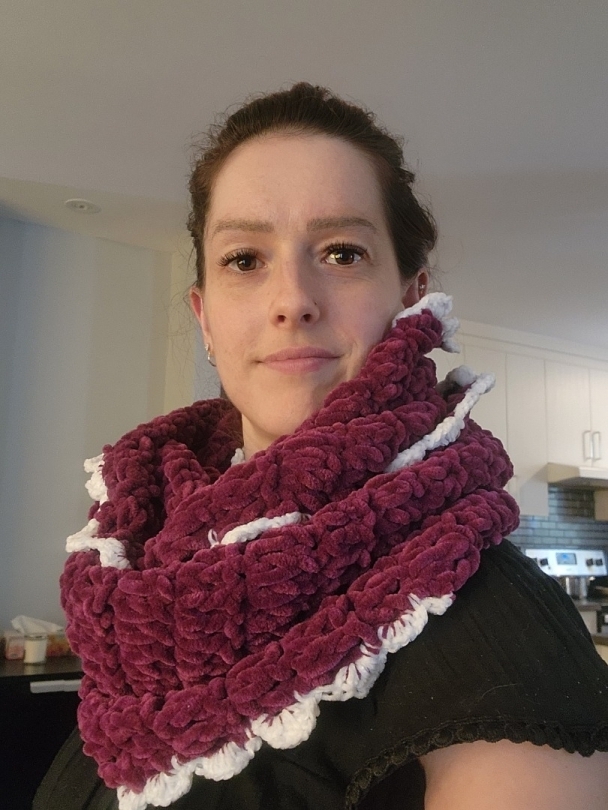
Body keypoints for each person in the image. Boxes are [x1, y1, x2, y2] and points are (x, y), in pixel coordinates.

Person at [36, 83, 608, 810]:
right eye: (245, 259)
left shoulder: (503, 636)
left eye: (342, 252)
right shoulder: (135, 590)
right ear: (205, 318)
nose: (292, 300)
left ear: (412, 299)